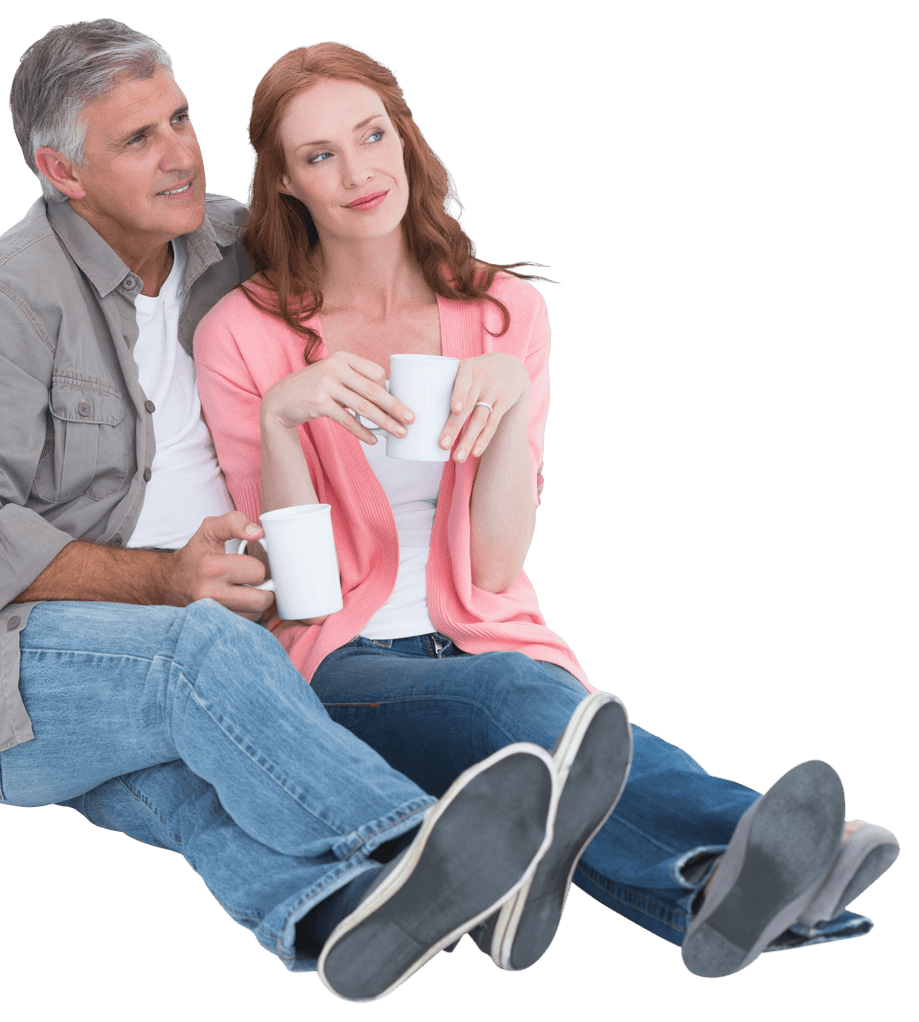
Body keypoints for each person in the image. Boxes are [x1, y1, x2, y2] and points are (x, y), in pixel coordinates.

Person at [0, 19, 579, 1004]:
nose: (180, 154)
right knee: (206, 651)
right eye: (138, 139)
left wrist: (494, 346)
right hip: (6, 677)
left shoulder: (233, 243)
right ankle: (418, 842)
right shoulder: (1, 303)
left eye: (182, 118)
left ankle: (336, 912)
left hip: (184, 675)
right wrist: (164, 580)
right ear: (62, 172)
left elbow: (382, 253)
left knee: (208, 788)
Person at [193, 41, 900, 979]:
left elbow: (491, 570)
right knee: (530, 708)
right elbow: (302, 597)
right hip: (340, 663)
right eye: (320, 155)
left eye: (372, 137)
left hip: (491, 632)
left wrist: (510, 406)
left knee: (537, 736)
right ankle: (761, 840)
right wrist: (286, 417)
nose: (359, 171)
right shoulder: (244, 332)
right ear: (283, 181)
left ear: (404, 139)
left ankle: (709, 899)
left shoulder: (503, 314)